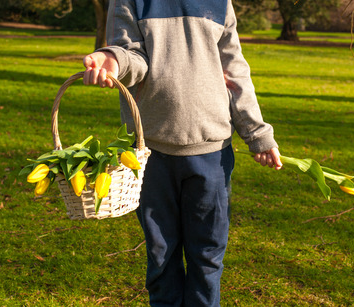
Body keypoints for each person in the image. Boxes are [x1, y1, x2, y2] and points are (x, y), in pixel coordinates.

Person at [82, 1, 282, 306]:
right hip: (151, 155)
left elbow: (233, 68)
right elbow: (134, 57)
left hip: (211, 154)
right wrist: (113, 59)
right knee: (162, 257)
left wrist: (257, 134)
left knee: (207, 257)